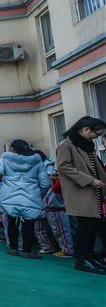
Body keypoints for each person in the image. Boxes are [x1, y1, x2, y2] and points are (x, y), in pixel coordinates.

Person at [55, 116, 106, 274]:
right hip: (82, 191)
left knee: (92, 227)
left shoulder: (85, 145)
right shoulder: (66, 145)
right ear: (85, 130)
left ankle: (89, 258)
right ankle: (82, 260)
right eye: (96, 134)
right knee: (86, 227)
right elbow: (64, 166)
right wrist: (90, 180)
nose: (96, 138)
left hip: (92, 191)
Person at [0, 139, 50, 259]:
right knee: (28, 224)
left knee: (11, 222)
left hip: (9, 194)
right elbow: (45, 183)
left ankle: (13, 248)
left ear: (13, 149)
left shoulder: (6, 159)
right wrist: (39, 194)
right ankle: (27, 251)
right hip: (31, 195)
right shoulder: (37, 160)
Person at [43, 173, 73, 258]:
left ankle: (67, 250)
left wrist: (56, 179)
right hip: (55, 208)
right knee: (60, 230)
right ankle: (66, 249)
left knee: (62, 230)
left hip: (57, 208)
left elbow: (56, 189)